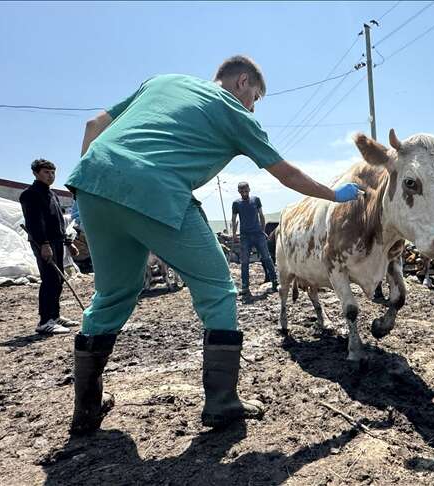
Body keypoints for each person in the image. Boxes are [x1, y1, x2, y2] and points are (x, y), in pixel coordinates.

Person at [65, 55, 361, 435]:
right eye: (255, 96)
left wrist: (91, 186)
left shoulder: (162, 79)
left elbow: (95, 124)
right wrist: (335, 194)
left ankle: (85, 411)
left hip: (91, 183)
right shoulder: (236, 113)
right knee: (219, 291)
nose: (253, 106)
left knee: (111, 295)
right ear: (242, 82)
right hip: (157, 190)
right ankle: (222, 403)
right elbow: (286, 174)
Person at [19, 158, 81, 335]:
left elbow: (59, 221)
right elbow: (34, 222)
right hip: (43, 242)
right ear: (36, 173)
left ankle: (55, 316)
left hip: (56, 241)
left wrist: (69, 244)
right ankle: (45, 321)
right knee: (50, 280)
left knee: (59, 278)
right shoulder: (30, 194)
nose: (50, 176)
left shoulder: (51, 194)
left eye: (52, 172)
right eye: (46, 172)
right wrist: (44, 244)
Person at [231, 181, 277, 299]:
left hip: (258, 234)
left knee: (267, 258)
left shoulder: (256, 200)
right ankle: (245, 287)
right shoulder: (236, 203)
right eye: (242, 191)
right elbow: (234, 219)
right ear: (239, 191)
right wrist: (235, 235)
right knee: (244, 262)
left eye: (246, 191)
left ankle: (275, 282)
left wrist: (262, 230)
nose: (244, 193)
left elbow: (261, 215)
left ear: (249, 189)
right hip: (245, 236)